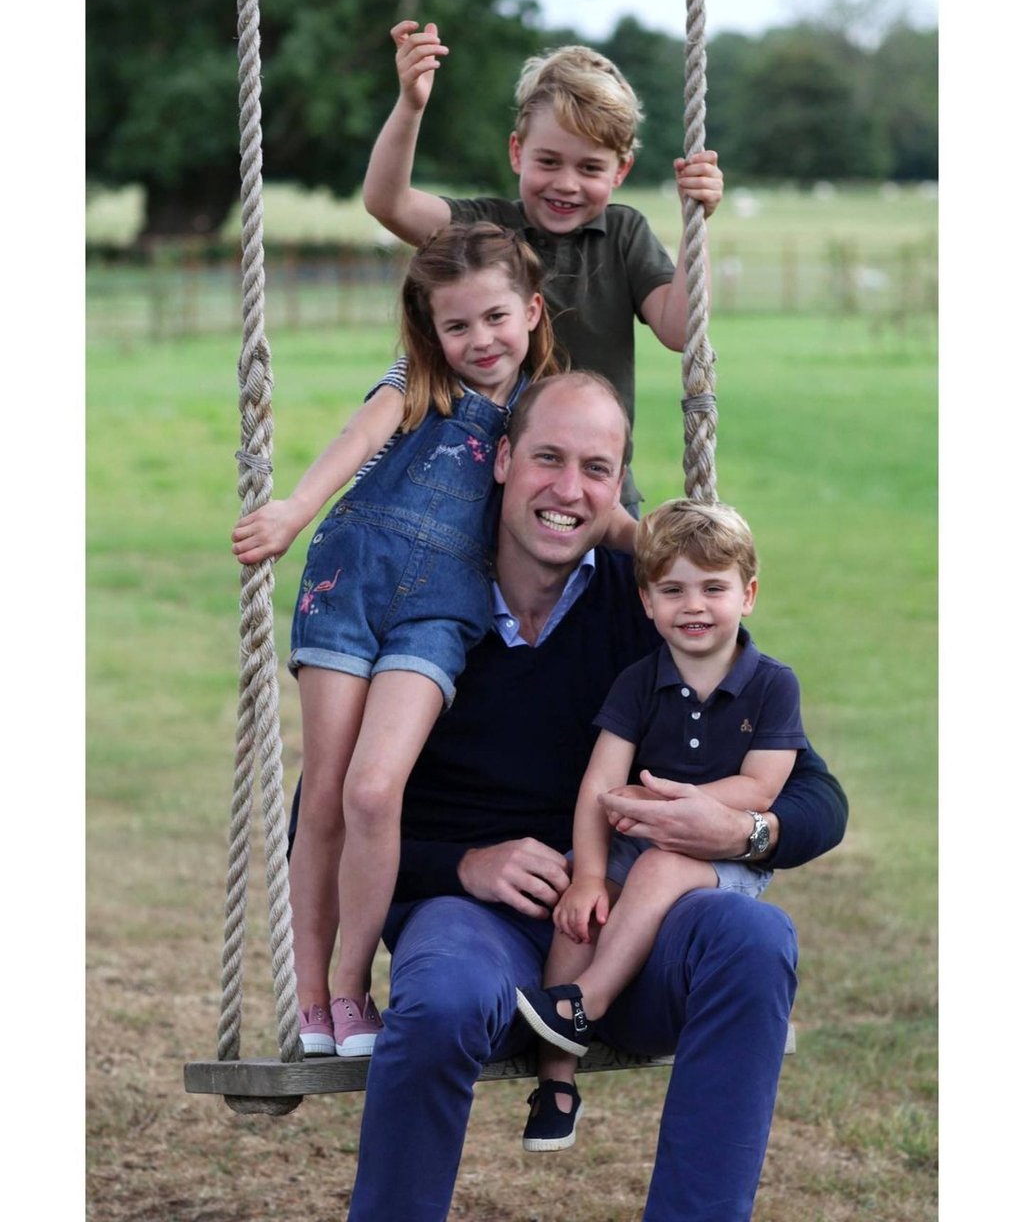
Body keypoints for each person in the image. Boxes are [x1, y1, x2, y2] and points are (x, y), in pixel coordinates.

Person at [339, 373, 848, 1222]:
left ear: (618, 489)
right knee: (442, 999)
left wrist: (741, 828)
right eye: (547, 458)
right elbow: (319, 822)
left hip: (631, 930)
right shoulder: (422, 604)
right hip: (478, 921)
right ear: (502, 460)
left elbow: (817, 796)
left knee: (753, 937)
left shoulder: (647, 606)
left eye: (596, 468)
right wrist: (463, 864)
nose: (568, 490)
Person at [230, 222, 570, 1059]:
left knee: (376, 792)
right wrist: (292, 511)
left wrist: (663, 545)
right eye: (457, 326)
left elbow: (579, 496)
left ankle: (352, 986)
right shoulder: (418, 380)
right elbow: (356, 442)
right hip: (350, 582)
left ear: (530, 310)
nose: (479, 341)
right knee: (327, 792)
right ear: (432, 331)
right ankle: (313, 1000)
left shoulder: (542, 408)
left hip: (442, 609)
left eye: (495, 318)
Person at [514, 498, 807, 1152]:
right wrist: (589, 876)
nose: (694, 605)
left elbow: (761, 787)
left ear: (748, 594)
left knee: (661, 863)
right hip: (636, 837)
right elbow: (599, 784)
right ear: (647, 602)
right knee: (578, 911)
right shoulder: (639, 683)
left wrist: (681, 808)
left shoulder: (772, 686)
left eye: (714, 588)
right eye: (673, 590)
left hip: (722, 853)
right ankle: (557, 1078)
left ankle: (587, 999)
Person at [362, 25, 725, 513]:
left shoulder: (623, 234)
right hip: (486, 491)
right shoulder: (486, 230)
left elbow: (681, 329)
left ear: (621, 172)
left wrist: (693, 223)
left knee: (616, 586)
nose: (566, 184)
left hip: (597, 491)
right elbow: (389, 203)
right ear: (517, 152)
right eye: (549, 161)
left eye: (590, 168)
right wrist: (411, 104)